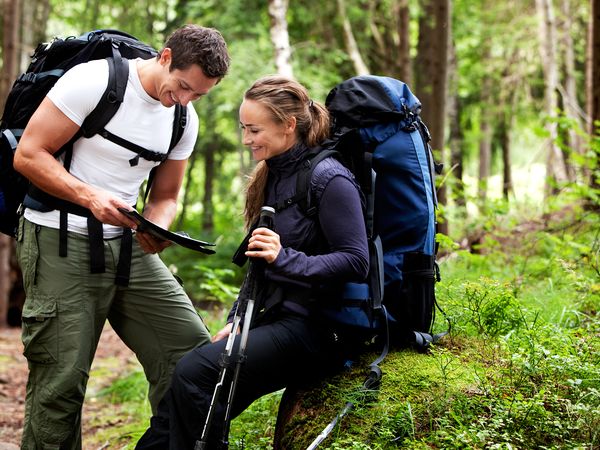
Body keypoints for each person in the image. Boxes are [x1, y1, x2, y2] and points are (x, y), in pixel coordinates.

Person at [13, 25, 230, 449]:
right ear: (165, 58)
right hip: (58, 237)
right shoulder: (94, 81)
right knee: (61, 381)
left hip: (127, 246)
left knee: (191, 355)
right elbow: (29, 154)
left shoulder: (184, 117)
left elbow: (166, 195)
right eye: (183, 86)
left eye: (199, 94)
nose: (185, 99)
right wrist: (89, 195)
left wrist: (157, 225)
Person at [136, 75, 370, 449]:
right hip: (279, 318)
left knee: (195, 373)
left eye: (254, 129)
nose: (246, 139)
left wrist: (285, 257)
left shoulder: (329, 177)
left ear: (288, 125)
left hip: (322, 329)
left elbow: (356, 262)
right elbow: (259, 266)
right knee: (189, 397)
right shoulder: (274, 174)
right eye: (244, 128)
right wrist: (236, 320)